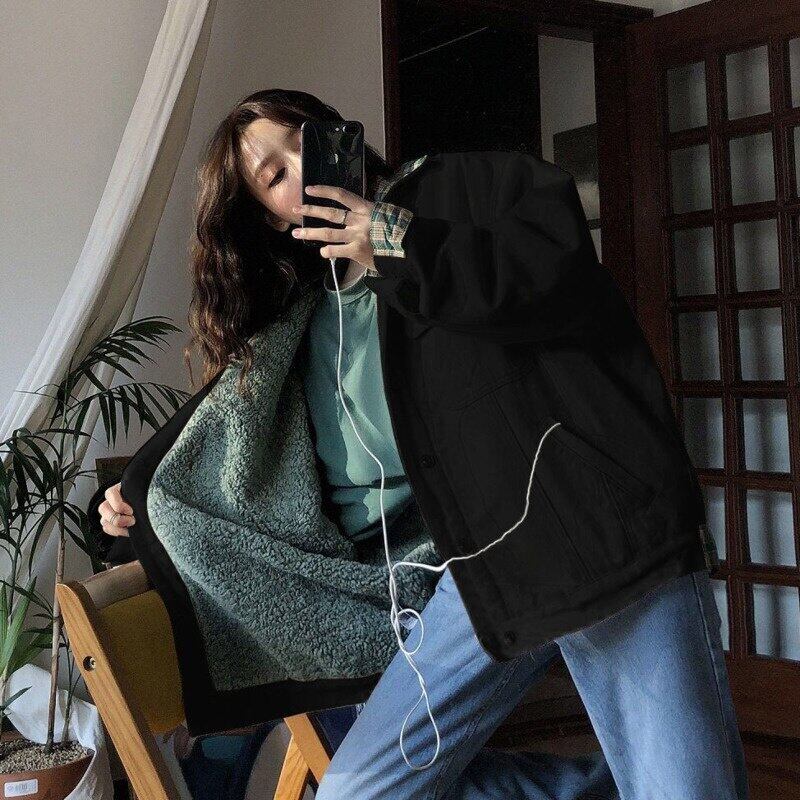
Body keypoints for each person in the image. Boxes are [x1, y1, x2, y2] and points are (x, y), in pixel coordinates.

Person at [96, 88, 749, 799]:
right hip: (469, 574)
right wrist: (137, 499)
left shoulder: (458, 186)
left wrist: (395, 241)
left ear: (338, 131)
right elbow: (224, 436)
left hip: (593, 535)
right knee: (356, 792)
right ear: (271, 218)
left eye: (303, 139)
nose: (301, 169)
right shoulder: (301, 318)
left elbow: (554, 266)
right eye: (275, 175)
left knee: (688, 790)